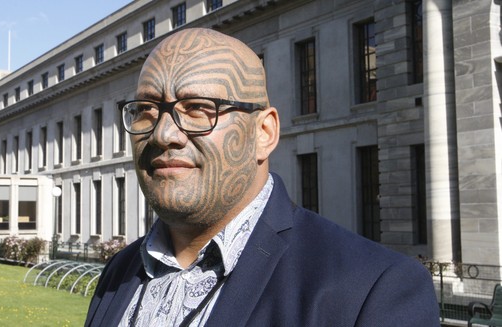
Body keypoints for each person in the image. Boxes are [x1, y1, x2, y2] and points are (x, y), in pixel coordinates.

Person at [85, 27, 440, 326]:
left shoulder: (372, 290)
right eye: (146, 110)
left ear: (264, 133)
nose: (164, 134)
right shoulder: (120, 271)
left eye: (198, 109)